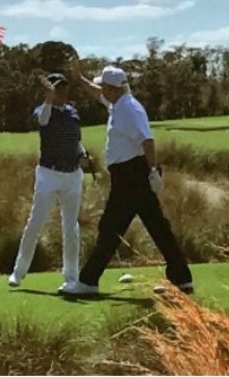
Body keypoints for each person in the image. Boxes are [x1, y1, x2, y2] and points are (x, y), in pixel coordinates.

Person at [65, 58, 193, 295]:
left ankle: (88, 281)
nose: (101, 90)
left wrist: (153, 171)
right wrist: (80, 79)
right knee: (157, 227)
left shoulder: (129, 110)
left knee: (110, 227)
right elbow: (97, 94)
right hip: (131, 175)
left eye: (104, 87)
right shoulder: (118, 103)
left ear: (114, 89)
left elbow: (148, 141)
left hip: (131, 175)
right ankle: (181, 279)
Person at [8, 73, 87, 294]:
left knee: (71, 227)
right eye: (57, 88)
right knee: (36, 222)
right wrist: (49, 99)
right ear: (49, 90)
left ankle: (72, 277)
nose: (62, 92)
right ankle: (19, 271)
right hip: (48, 175)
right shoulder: (42, 110)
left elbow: (76, 140)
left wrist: (83, 153)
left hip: (72, 174)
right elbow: (42, 120)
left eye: (64, 89)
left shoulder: (73, 112)